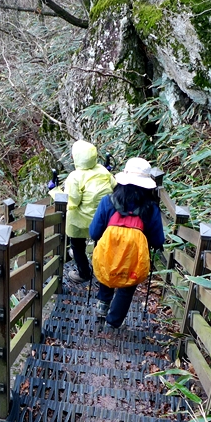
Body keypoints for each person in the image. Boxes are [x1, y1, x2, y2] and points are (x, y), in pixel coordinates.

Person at [89, 157, 165, 329]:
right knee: (128, 284)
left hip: (109, 252)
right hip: (133, 258)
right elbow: (158, 240)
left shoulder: (108, 201)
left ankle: (103, 303)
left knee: (107, 266)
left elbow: (94, 233)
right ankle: (113, 322)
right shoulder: (150, 208)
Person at [62, 141, 115, 284]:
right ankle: (101, 271)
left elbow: (72, 202)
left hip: (79, 220)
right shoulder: (103, 171)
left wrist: (54, 192)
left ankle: (84, 273)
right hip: (102, 218)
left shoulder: (74, 177)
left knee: (77, 246)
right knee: (100, 244)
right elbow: (114, 187)